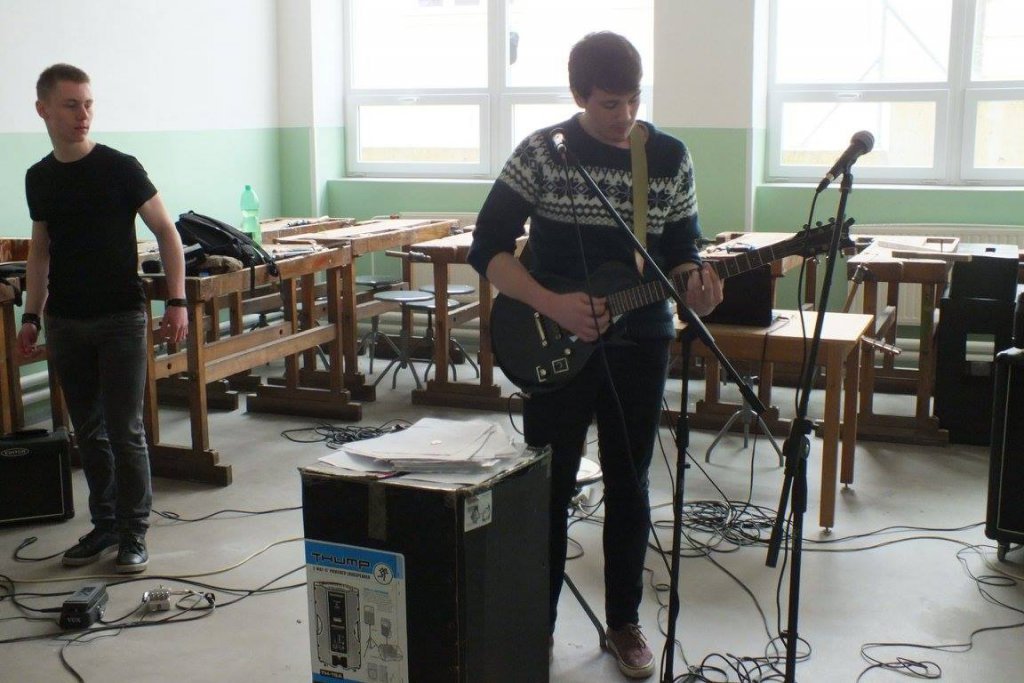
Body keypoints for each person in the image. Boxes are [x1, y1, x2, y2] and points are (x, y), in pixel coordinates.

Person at [468, 32, 723, 679]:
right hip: (553, 339)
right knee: (548, 487)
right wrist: (551, 304)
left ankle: (624, 622)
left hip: (642, 343)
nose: (624, 116)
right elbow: (486, 245)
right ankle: (538, 623)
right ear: (580, 96)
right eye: (610, 103)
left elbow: (681, 247)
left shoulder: (667, 157)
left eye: (634, 100)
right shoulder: (544, 152)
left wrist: (696, 280)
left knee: (630, 483)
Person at [17, 64, 189, 574]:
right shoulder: (40, 177)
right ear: (44, 110)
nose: (83, 114)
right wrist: (31, 315)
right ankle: (105, 524)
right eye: (71, 105)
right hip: (66, 321)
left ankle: (134, 531)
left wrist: (176, 301)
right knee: (88, 432)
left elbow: (167, 232)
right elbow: (40, 252)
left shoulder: (120, 168)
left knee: (124, 430)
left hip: (120, 318)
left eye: (88, 104)